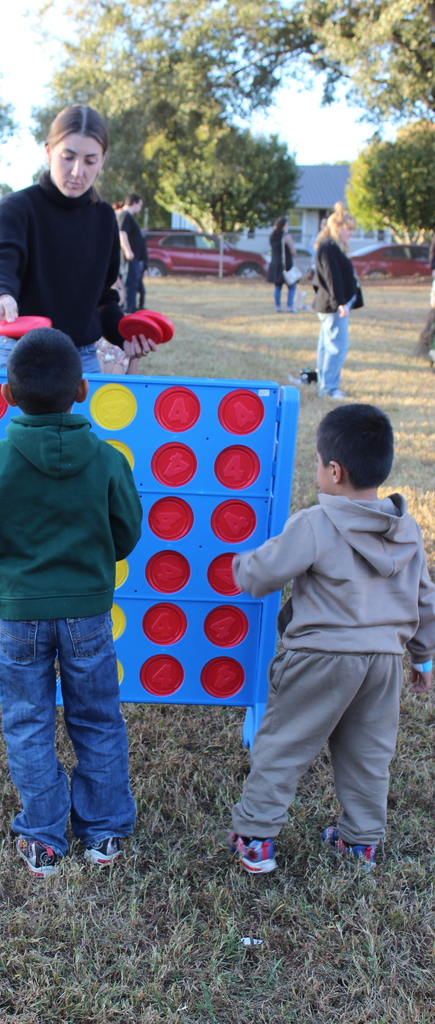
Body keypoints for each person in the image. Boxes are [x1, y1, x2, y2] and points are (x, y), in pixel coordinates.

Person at [0, 328, 143, 878]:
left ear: (7, 394)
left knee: (27, 722)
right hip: (88, 615)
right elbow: (126, 533)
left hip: (18, 616)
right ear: (82, 389)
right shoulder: (109, 461)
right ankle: (104, 832)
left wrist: (6, 562)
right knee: (98, 718)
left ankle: (43, 836)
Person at [227, 403, 435, 874]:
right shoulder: (407, 530)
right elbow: (424, 598)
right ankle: (361, 843)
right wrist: (422, 658)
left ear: (334, 471)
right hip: (383, 663)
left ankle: (256, 838)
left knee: (283, 745)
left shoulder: (315, 523)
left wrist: (240, 564)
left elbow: (262, 575)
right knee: (368, 755)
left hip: (319, 658)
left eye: (319, 463)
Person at [0, 104, 156, 374]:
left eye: (90, 161)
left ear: (103, 160)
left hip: (81, 359)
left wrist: (125, 336)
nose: (77, 171)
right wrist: (2, 295)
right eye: (68, 157)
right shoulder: (18, 207)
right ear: (49, 152)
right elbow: (1, 263)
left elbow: (104, 298)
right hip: (20, 353)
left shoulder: (105, 217)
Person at [313, 202, 362, 399]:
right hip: (333, 306)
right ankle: (328, 388)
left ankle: (325, 384)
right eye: (348, 229)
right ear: (338, 227)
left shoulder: (332, 247)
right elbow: (331, 277)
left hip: (332, 304)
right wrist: (340, 302)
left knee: (327, 346)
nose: (350, 233)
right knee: (336, 348)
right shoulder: (328, 247)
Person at [118, 192, 147, 314]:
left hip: (135, 260)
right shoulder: (125, 215)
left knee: (135, 286)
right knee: (129, 286)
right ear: (134, 203)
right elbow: (122, 233)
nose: (140, 208)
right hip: (129, 259)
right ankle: (127, 311)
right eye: (140, 205)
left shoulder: (129, 217)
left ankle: (132, 309)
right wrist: (128, 251)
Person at [266, 216, 298, 312]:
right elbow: (293, 251)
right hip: (285, 264)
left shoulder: (272, 236)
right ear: (284, 225)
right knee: (292, 286)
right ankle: (289, 307)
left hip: (275, 263)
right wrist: (293, 255)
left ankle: (278, 307)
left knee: (278, 286)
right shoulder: (286, 236)